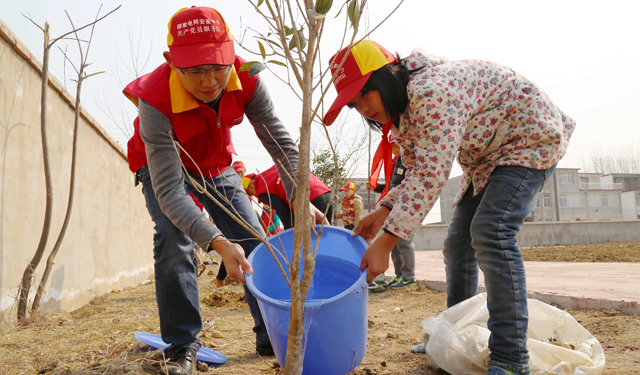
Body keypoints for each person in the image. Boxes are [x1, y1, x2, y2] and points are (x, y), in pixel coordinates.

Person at [323, 40, 575, 375]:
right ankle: (452, 338)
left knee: (491, 232)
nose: (364, 109)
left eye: (365, 94)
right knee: (457, 245)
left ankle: (511, 357)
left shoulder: (432, 91)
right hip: (488, 157)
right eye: (355, 105)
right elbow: (415, 171)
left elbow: (431, 175)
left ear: (386, 76)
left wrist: (385, 242)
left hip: (527, 140)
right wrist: (383, 211)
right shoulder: (403, 114)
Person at [124, 6, 326, 374]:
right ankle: (182, 345)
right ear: (172, 62)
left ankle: (271, 335)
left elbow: (280, 143)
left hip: (216, 165)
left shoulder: (245, 77)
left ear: (231, 54)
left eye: (217, 66)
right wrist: (216, 242)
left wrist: (301, 196)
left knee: (254, 240)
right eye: (195, 70)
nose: (208, 81)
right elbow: (170, 193)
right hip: (162, 168)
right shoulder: (154, 100)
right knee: (173, 239)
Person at [366, 134, 416, 288]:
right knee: (393, 244)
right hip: (393, 206)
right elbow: (391, 187)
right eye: (391, 145)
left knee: (404, 243)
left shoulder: (408, 160)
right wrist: (376, 187)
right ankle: (400, 275)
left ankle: (409, 278)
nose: (393, 148)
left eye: (395, 144)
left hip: (405, 207)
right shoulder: (393, 163)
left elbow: (408, 183)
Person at [243, 165, 333, 229]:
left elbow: (284, 213)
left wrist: (289, 232)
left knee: (310, 242)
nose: (254, 196)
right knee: (326, 236)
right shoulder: (272, 172)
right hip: (325, 192)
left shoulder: (262, 188)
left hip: (309, 200)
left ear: (251, 184)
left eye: (250, 193)